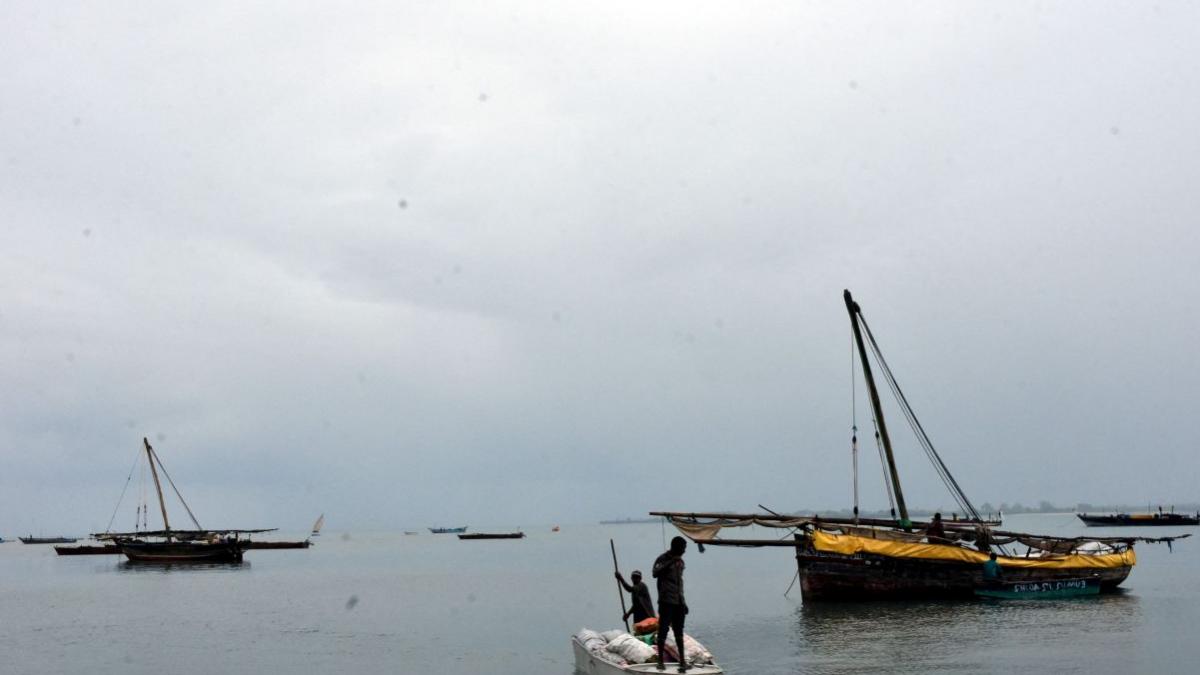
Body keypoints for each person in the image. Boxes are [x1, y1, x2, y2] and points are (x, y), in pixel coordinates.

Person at [653, 536, 689, 673]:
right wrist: (670, 562)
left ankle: (682, 661)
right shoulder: (662, 558)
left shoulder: (681, 562)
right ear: (676, 547)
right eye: (683, 548)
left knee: (679, 631)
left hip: (678, 601)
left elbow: (680, 583)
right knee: (663, 630)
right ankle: (660, 661)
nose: (684, 551)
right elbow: (655, 573)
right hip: (666, 601)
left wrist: (683, 602)